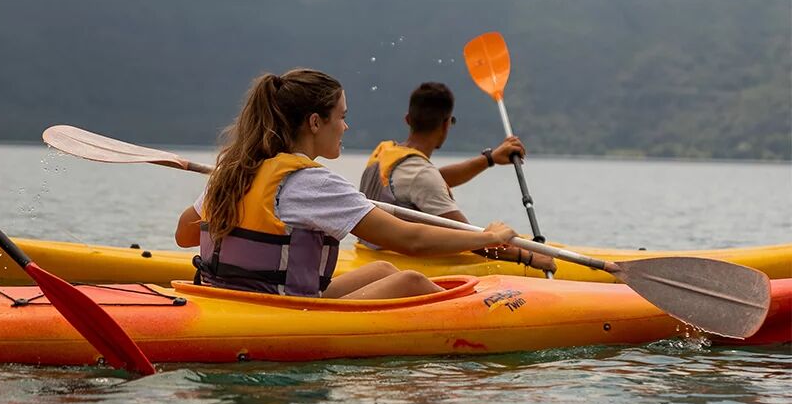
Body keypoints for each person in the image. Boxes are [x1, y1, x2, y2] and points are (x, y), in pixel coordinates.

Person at [175, 68, 517, 300]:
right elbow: (410, 239)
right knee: (410, 280)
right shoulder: (312, 183)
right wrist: (490, 237)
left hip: (230, 298)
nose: (345, 127)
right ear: (314, 122)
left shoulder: (235, 170)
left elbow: (185, 235)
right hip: (283, 310)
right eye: (342, 116)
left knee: (383, 268)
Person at [359, 82, 556, 273]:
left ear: (408, 119)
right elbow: (474, 241)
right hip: (398, 265)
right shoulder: (422, 176)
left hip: (367, 255)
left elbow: (432, 181)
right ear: (446, 124)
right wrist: (530, 257)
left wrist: (489, 159)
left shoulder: (386, 152)